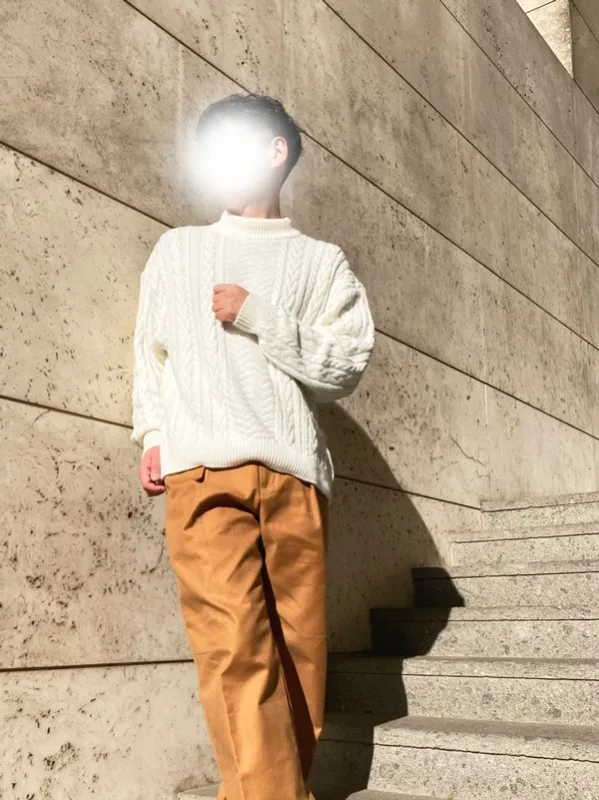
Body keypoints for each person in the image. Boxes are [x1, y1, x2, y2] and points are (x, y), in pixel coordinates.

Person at [131, 93, 375, 800]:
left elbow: (345, 364)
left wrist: (260, 315)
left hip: (295, 475)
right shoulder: (179, 250)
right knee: (233, 647)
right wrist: (153, 433)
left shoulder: (321, 263)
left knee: (300, 658)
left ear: (275, 152)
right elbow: (150, 355)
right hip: (203, 471)